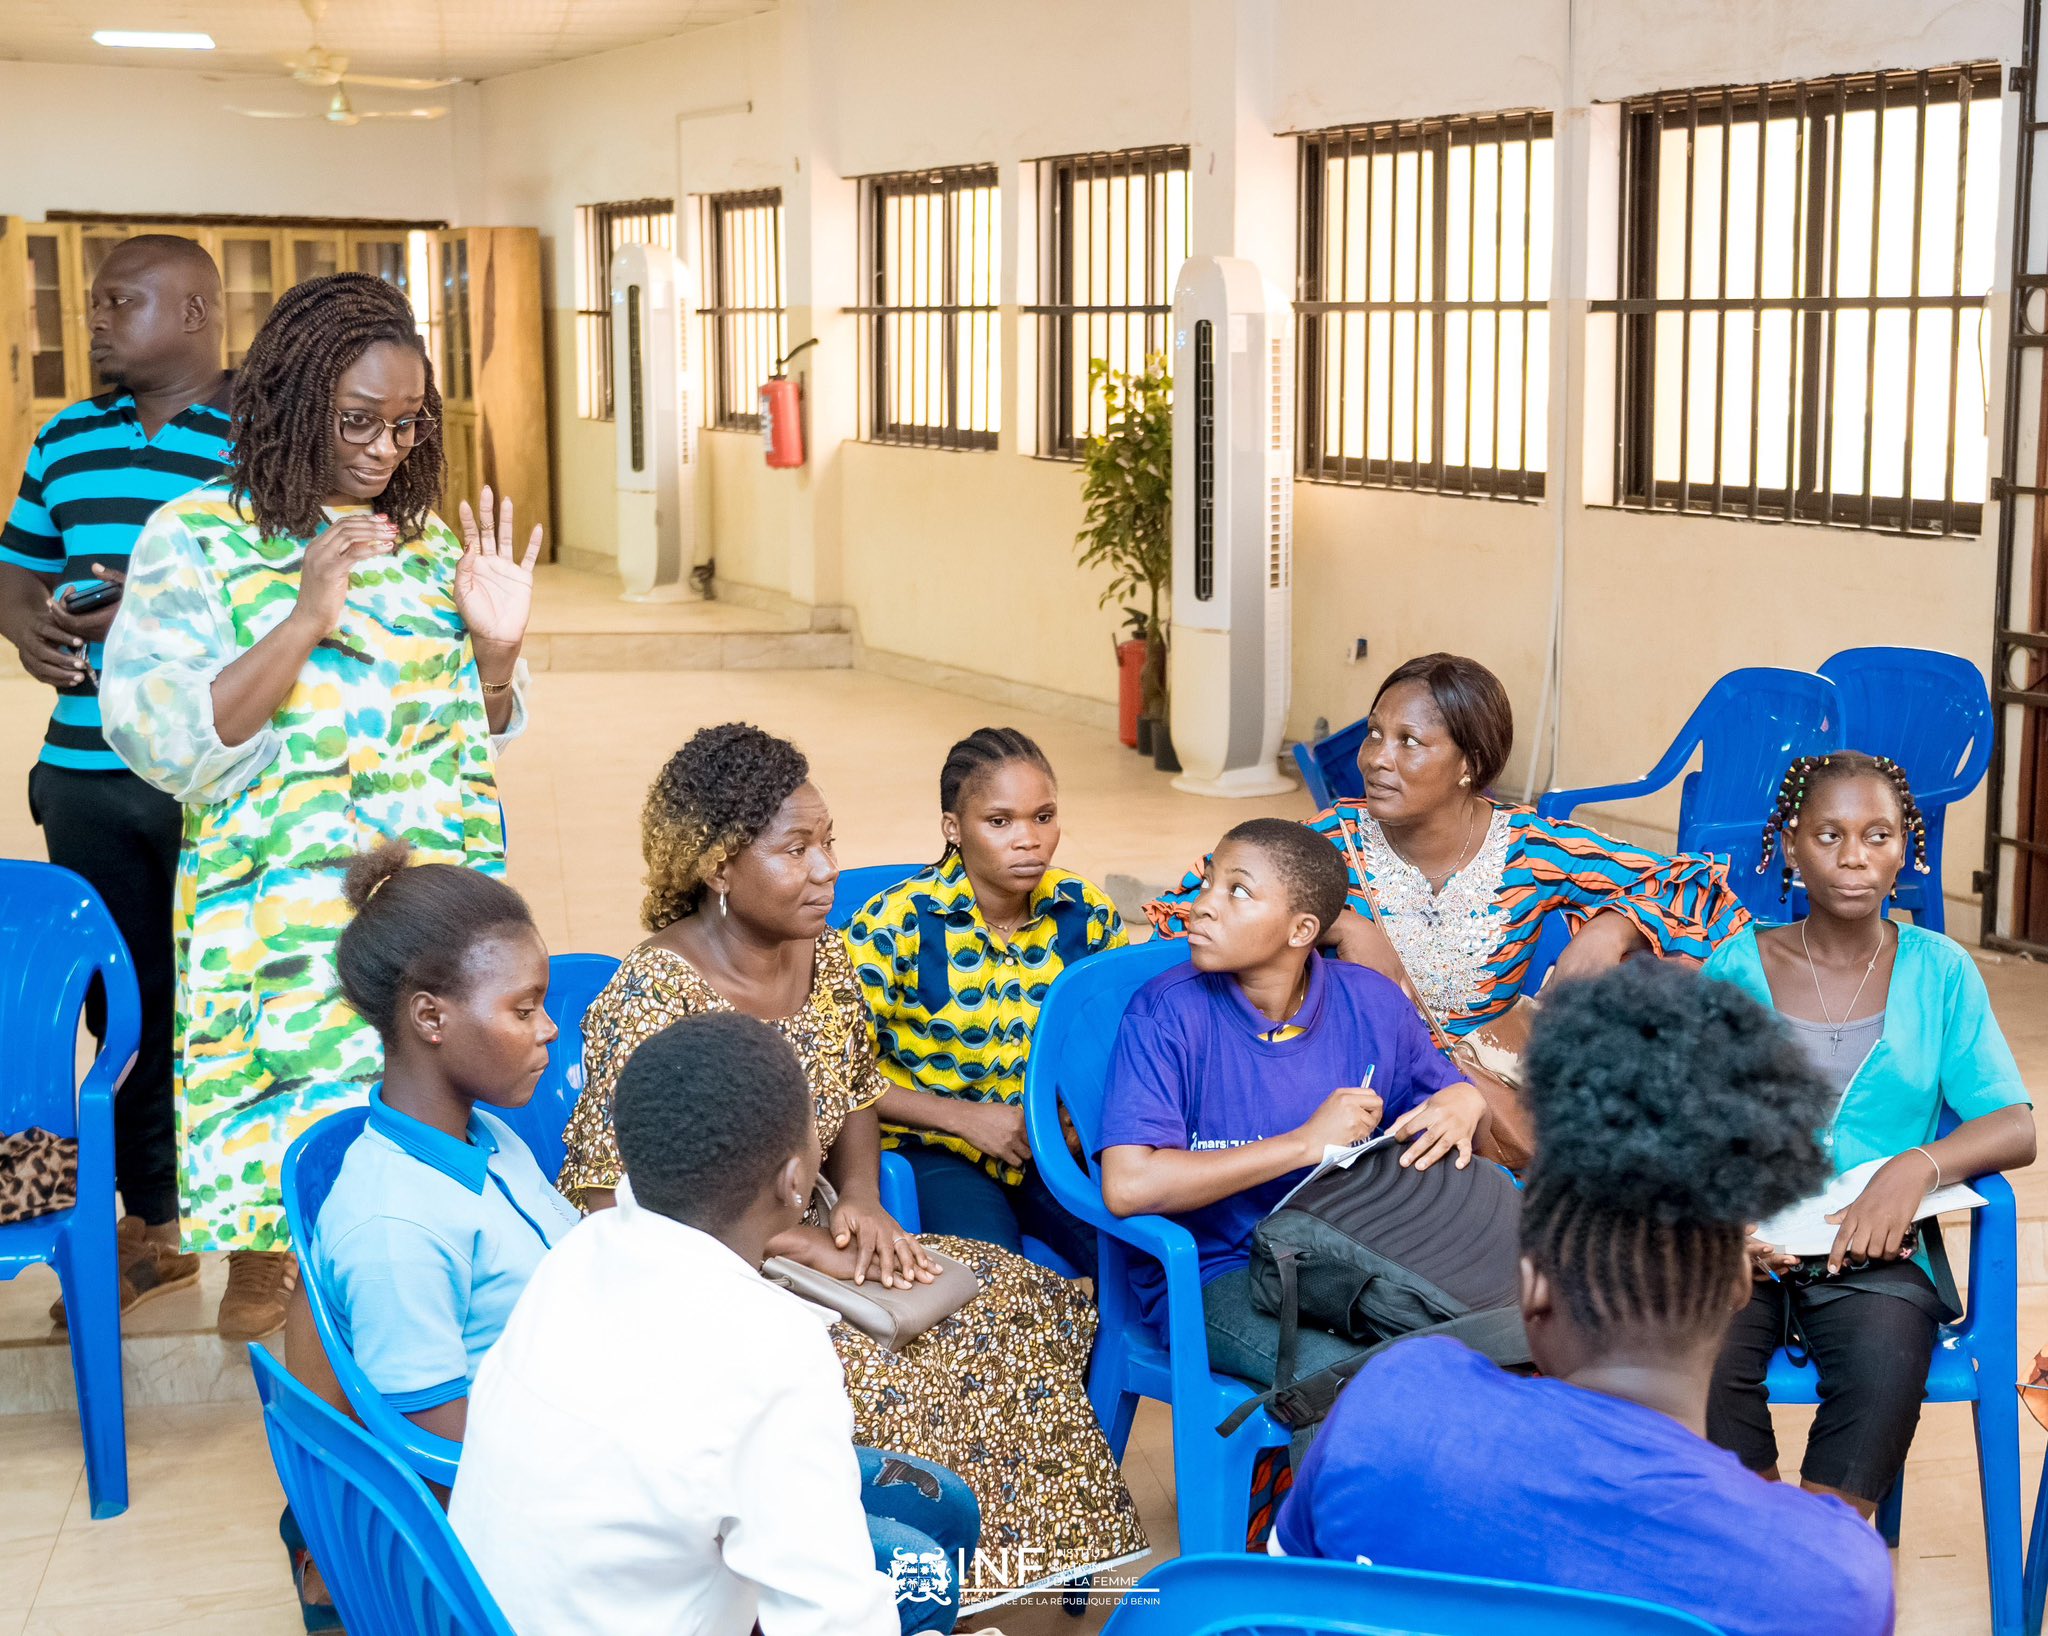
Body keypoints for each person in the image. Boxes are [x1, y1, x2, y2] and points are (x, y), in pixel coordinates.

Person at [302, 846, 977, 1636]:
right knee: (904, 1566)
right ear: (430, 1018)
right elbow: (441, 1446)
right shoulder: (396, 1222)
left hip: (609, 1435)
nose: (551, 1028)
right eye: (524, 1009)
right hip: (579, 1494)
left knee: (940, 1508)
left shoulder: (494, 1150)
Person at [558, 724, 1148, 1610]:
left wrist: (865, 1202)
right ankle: (884, 1592)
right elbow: (614, 1199)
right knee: (886, 1371)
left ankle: (992, 1590)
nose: (827, 867)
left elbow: (860, 1089)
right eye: (796, 849)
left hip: (816, 1221)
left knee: (1010, 1306)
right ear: (718, 866)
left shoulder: (821, 954)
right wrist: (795, 1248)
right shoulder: (654, 996)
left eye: (828, 840)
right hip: (703, 1276)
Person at [98, 271, 542, 1342]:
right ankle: (301, 1385)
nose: (385, 449)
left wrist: (497, 654)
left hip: (431, 922)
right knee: (295, 1203)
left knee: (419, 1176)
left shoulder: (431, 545)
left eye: (405, 422)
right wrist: (301, 617)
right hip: (284, 918)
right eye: (357, 420)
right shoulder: (195, 538)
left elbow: (468, 729)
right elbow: (165, 743)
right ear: (291, 399)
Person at [1275, 961, 1897, 1636]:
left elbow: (1285, 1611)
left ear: (1535, 1286)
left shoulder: (1391, 1403)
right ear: (1737, 1289)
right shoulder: (1829, 1576)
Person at [452, 1014, 903, 1636]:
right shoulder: (774, 1350)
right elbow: (835, 1624)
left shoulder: (580, 1252)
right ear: (797, 1180)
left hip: (491, 1611)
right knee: (918, 1568)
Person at [1703, 751, 2035, 1516]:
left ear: (1904, 849)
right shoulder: (1736, 967)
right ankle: (1750, 1534)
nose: (1855, 858)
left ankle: (1827, 1545)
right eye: (1829, 835)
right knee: (1699, 1350)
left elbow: (2015, 1124)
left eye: (1877, 835)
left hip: (1877, 1250)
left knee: (1887, 1360)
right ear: (1790, 847)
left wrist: (1914, 1166)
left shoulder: (1940, 971)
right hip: (1741, 1240)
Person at [0, 235, 232, 1317]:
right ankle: (153, 1222)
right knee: (120, 1002)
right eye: (95, 302)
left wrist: (152, 594)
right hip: (86, 769)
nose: (94, 319)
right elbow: (17, 569)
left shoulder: (257, 440)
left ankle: (263, 1238)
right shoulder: (65, 437)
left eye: (119, 301)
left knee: (230, 1000)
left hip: (214, 777)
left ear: (192, 313)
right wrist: (25, 630)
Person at [1146, 653, 1749, 1043]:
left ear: (1471, 765)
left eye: (1411, 742)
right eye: (1376, 734)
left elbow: (1694, 887)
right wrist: (1341, 923)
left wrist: (1610, 928)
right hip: (1361, 1098)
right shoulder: (1331, 844)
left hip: (1495, 1099)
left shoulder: (1530, 850)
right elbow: (1185, 911)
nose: (1378, 758)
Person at [1098, 817, 1484, 1388]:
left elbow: (1448, 1089)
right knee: (1365, 1386)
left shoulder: (1371, 1003)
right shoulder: (1166, 1014)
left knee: (1479, 1352)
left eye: (1237, 891)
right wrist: (1305, 1143)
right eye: (1208, 883)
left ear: (1302, 929)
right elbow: (1128, 1186)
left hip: (1346, 1258)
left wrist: (1465, 1102)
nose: (1202, 906)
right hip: (1214, 1271)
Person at [848, 726, 1121, 1269]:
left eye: (1043, 817)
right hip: (933, 1147)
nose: (1029, 839)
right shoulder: (894, 924)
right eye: (999, 822)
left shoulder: (1086, 912)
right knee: (991, 1274)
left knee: (1129, 1253)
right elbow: (835, 1071)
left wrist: (1072, 1115)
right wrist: (966, 1119)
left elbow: (1114, 1035)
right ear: (954, 828)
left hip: (1049, 1144)